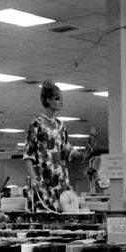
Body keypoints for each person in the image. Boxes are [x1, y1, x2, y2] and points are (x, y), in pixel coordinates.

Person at [23, 80, 74, 211]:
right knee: (43, 215)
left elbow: (67, 151)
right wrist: (33, 179)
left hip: (61, 182)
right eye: (57, 98)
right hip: (42, 181)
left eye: (61, 98)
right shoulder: (36, 124)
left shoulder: (61, 126)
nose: (60, 101)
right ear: (48, 100)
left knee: (62, 215)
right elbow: (28, 155)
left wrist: (83, 153)